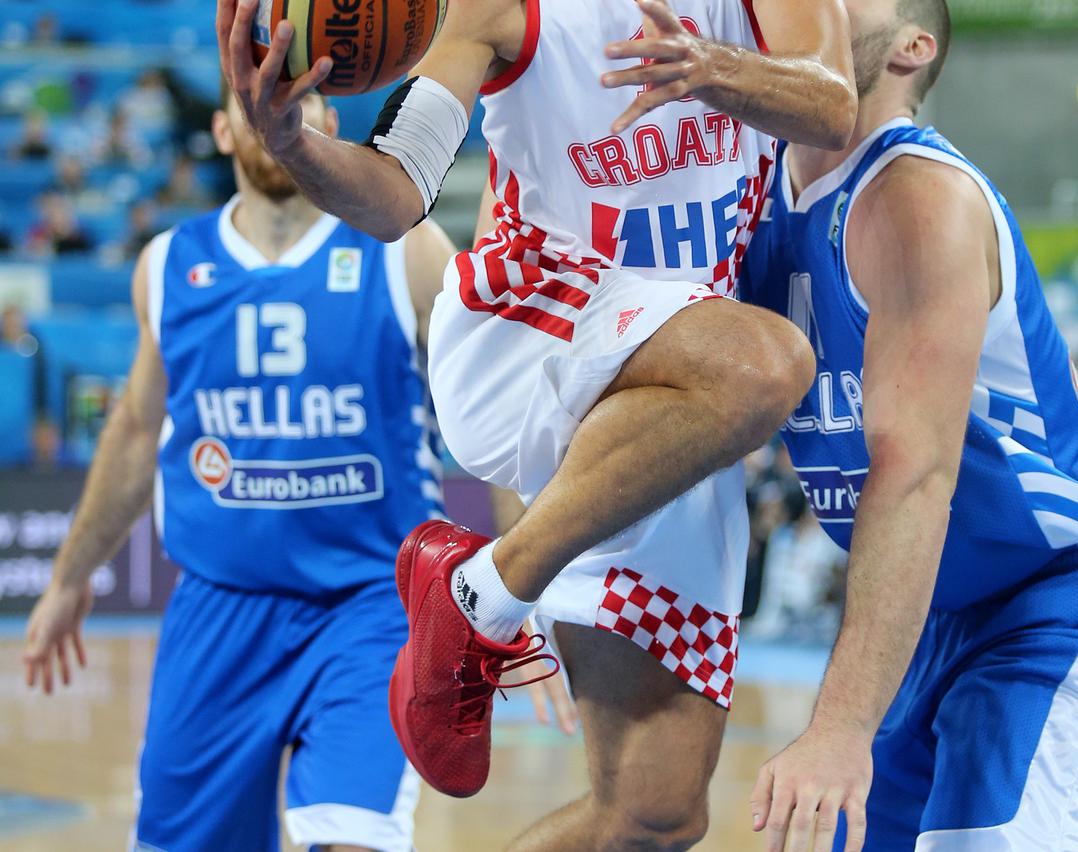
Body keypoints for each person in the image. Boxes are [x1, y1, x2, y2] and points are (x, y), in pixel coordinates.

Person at [220, 0, 857, 847]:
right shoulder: (496, 7)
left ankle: (480, 591)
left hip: (676, 408)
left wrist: (712, 67)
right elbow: (395, 196)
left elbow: (833, 104)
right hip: (534, 332)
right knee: (769, 364)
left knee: (653, 813)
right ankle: (483, 593)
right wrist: (295, 143)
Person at [21, 81, 570, 852]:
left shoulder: (404, 249)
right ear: (219, 130)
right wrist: (70, 578)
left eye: (298, 102)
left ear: (328, 122)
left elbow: (493, 427)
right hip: (218, 612)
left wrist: (527, 589)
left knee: (355, 839)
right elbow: (136, 431)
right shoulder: (168, 265)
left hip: (370, 610)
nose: (276, 115)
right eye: (255, 104)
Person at [739, 1, 1078, 849]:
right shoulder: (745, 190)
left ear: (915, 48)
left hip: (1059, 600)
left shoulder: (915, 194)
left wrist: (837, 726)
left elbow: (912, 477)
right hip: (927, 613)